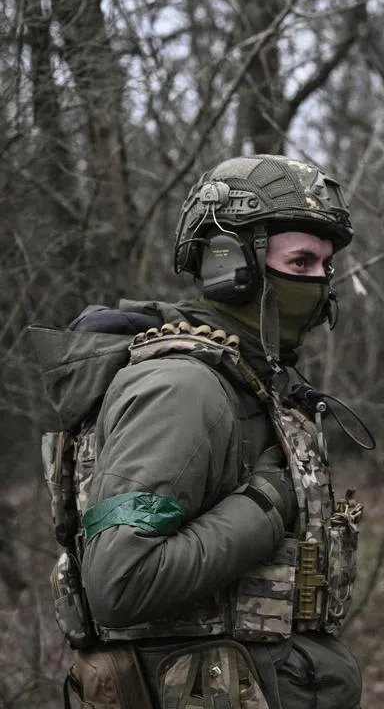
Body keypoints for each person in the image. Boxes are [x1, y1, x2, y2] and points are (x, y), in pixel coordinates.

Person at [31, 155, 363, 709]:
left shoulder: (251, 381)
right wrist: (270, 499)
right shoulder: (183, 388)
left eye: (325, 267)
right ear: (230, 263)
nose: (320, 284)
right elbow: (120, 580)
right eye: (301, 262)